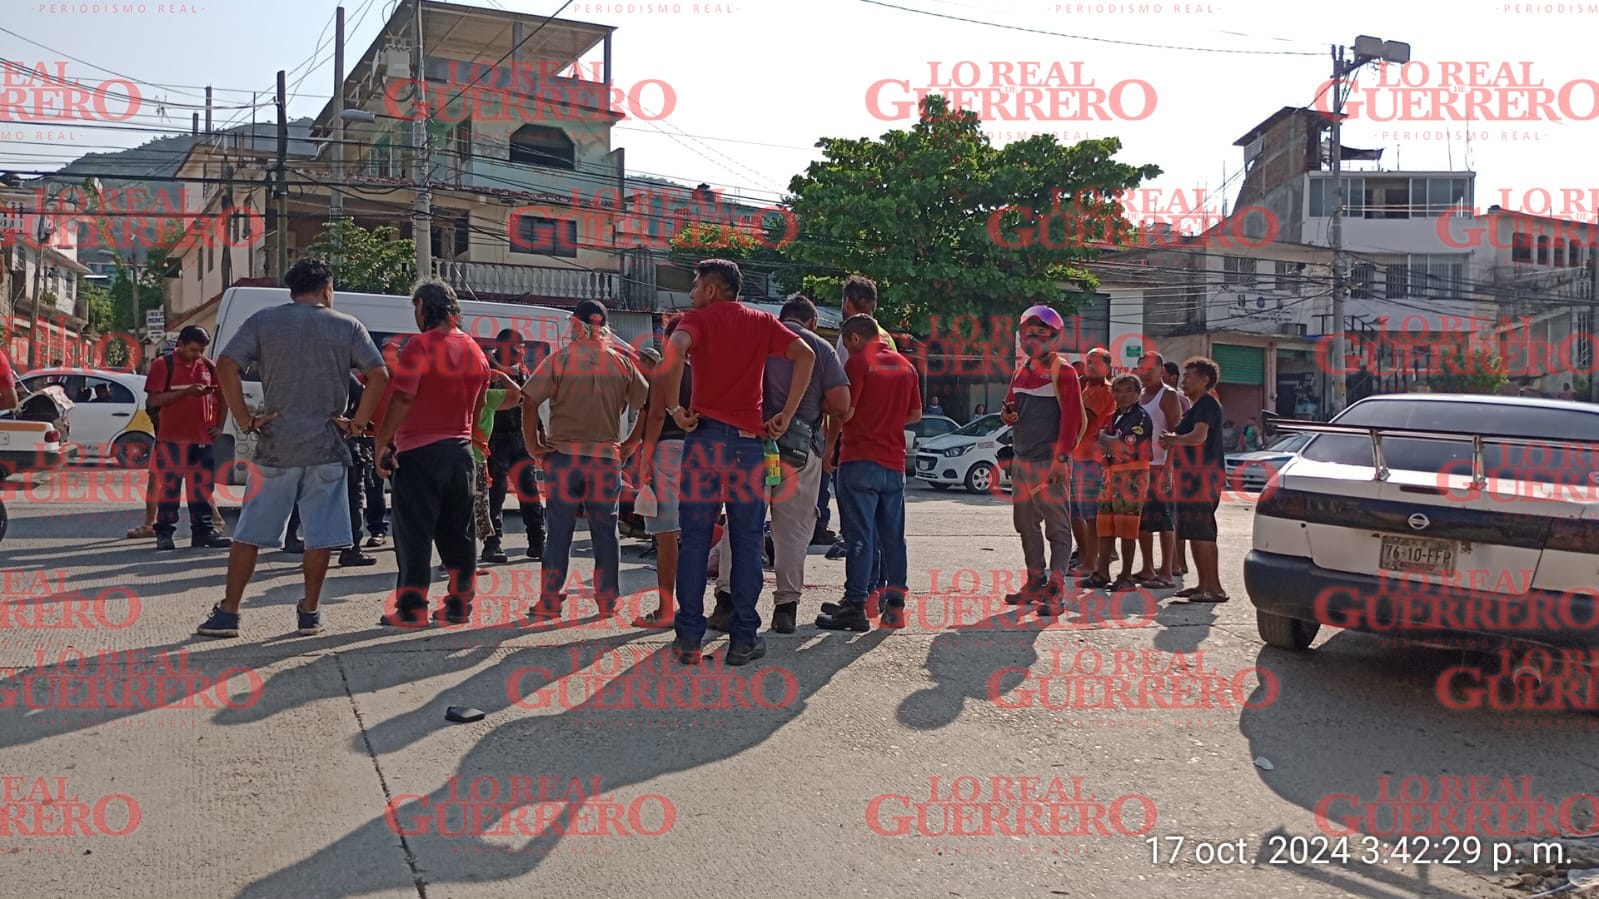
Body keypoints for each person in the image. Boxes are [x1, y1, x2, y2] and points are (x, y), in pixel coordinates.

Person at [197, 257, 388, 638]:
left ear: (291, 290)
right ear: (327, 289)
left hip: (276, 446)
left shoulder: (264, 321)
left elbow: (225, 365)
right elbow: (380, 375)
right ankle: (310, 613)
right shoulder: (347, 326)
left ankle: (229, 613)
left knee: (250, 531)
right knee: (321, 535)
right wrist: (356, 422)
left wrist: (246, 418)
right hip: (327, 447)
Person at [652, 259, 816, 666]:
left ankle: (689, 638)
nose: (692, 293)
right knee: (745, 543)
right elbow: (806, 354)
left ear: (711, 289)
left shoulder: (698, 320)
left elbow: (675, 348)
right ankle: (743, 638)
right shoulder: (761, 321)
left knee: (693, 539)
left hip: (704, 442)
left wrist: (676, 407)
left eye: (695, 285)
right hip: (748, 446)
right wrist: (786, 413)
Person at [708, 295, 849, 635]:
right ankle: (785, 608)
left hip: (750, 446)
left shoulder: (756, 341)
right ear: (811, 322)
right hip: (801, 452)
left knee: (740, 527)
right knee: (792, 531)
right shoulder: (821, 349)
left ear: (781, 317)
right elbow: (842, 404)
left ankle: (726, 604)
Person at [368, 280, 490, 627]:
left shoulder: (419, 346)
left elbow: (403, 397)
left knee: (414, 535)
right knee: (460, 534)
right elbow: (480, 406)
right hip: (461, 452)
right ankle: (458, 606)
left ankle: (411, 608)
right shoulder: (476, 350)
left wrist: (383, 441)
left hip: (419, 453)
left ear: (422, 306)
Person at [521, 300, 647, 622]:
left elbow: (529, 400)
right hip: (606, 459)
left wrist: (533, 444)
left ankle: (550, 601)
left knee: (559, 530)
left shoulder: (561, 360)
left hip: (563, 458)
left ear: (576, 324)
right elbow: (647, 403)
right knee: (605, 531)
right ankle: (607, 600)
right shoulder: (622, 364)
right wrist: (632, 442)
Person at [815, 314, 919, 632]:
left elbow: (845, 411)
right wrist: (887, 418)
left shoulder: (859, 363)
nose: (847, 349)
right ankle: (895, 607)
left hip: (859, 459)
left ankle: (856, 605)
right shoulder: (907, 367)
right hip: (894, 463)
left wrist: (830, 447)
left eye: (847, 343)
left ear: (856, 338)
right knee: (892, 538)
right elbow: (914, 414)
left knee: (860, 536)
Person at [998, 305, 1085, 617]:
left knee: (1057, 528)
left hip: (1050, 463)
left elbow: (1073, 419)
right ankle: (1035, 581)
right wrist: (1007, 415)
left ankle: (1056, 591)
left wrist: (1061, 458)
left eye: (1039, 334)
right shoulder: (1021, 372)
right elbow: (1009, 410)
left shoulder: (1064, 372)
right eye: (1026, 334)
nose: (1031, 339)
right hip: (1022, 461)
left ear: (1054, 337)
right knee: (1025, 524)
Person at [826, 275, 897, 562]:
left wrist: (831, 444)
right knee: (881, 526)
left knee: (858, 528)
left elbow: (841, 400)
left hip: (856, 441)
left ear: (847, 302)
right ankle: (876, 590)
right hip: (887, 442)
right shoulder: (887, 338)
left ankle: (857, 596)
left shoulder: (851, 338)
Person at [144, 326, 231, 552]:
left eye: (202, 350)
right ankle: (164, 534)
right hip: (171, 440)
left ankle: (202, 533)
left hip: (202, 440)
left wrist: (219, 427)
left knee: (201, 489)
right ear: (180, 344)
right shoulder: (163, 366)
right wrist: (185, 392)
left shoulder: (209, 367)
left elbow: (224, 398)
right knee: (170, 489)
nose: (197, 355)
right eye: (193, 350)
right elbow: (154, 400)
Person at [632, 327, 692, 627]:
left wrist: (644, 460)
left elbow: (655, 416)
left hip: (668, 450)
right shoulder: (706, 372)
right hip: (702, 451)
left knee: (666, 534)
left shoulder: (664, 371)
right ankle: (692, 609)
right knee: (695, 533)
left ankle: (666, 610)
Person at [1162, 356, 1228, 603]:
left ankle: (1214, 588)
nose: (1184, 380)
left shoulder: (1207, 404)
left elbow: (1199, 437)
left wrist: (1173, 439)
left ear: (1205, 380)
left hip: (1203, 477)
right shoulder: (1196, 406)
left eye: (1190, 376)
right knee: (1193, 531)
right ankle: (1202, 585)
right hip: (1190, 478)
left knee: (1203, 532)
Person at [1083, 373, 1153, 590]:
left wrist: (1106, 439)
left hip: (1131, 475)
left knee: (1127, 526)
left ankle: (1126, 575)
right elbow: (1101, 441)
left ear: (1138, 393)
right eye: (1118, 390)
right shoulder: (1113, 416)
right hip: (1110, 472)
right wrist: (1107, 440)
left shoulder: (1140, 417)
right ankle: (1101, 571)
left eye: (1129, 390)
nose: (1123, 395)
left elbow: (1123, 446)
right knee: (1105, 525)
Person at [485, 328, 545, 562]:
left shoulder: (521, 370)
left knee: (529, 492)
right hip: (495, 438)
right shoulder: (488, 369)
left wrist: (539, 431)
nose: (520, 351)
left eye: (521, 347)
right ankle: (492, 544)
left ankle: (537, 543)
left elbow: (530, 402)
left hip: (519, 438)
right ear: (501, 346)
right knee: (496, 494)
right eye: (515, 347)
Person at [1132, 352, 1182, 590]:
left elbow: (1176, 434)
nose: (1145, 372)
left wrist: (1169, 469)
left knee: (1164, 520)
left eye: (1150, 368)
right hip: (1139, 467)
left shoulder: (1168, 395)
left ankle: (1166, 571)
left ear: (1161, 369)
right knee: (1142, 521)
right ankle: (1147, 567)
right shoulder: (1139, 395)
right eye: (1142, 368)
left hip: (1161, 465)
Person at [1070, 347, 1115, 578]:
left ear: (1107, 367)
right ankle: (1085, 558)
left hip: (1091, 459)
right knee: (1074, 513)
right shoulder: (1085, 388)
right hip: (1075, 456)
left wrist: (1073, 392)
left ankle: (1091, 562)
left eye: (1095, 363)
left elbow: (1084, 419)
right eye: (1088, 362)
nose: (1090, 366)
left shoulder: (1106, 391)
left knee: (1089, 514)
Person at [337, 370, 379, 567]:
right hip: (346, 441)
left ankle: (320, 545)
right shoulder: (342, 372)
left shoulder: (307, 371)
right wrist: (355, 419)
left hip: (315, 445)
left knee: (318, 499)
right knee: (354, 496)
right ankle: (352, 548)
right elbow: (364, 393)